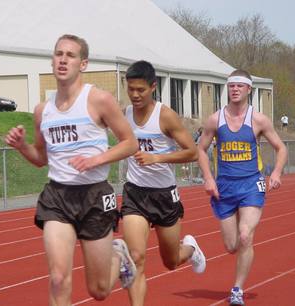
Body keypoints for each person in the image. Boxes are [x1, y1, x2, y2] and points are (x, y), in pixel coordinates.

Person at [5, 34, 139, 306]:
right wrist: (21, 146)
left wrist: (96, 160)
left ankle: (119, 255)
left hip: (94, 197)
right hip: (57, 198)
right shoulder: (43, 110)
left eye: (70, 55)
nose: (63, 60)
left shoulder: (99, 100)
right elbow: (41, 158)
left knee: (99, 290)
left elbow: (130, 143)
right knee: (57, 277)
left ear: (83, 63)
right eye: (58, 54)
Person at [198, 69, 287, 305]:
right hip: (225, 187)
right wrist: (208, 178)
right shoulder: (215, 119)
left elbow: (281, 147)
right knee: (231, 246)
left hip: (251, 184)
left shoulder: (258, 120)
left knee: (246, 235)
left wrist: (276, 172)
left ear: (249, 89)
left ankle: (237, 289)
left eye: (239, 85)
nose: (235, 89)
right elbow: (200, 149)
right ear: (227, 89)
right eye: (231, 86)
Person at [121, 60, 206, 306]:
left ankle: (190, 248)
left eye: (141, 90)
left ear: (153, 87)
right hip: (134, 194)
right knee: (135, 258)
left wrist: (158, 157)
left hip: (164, 196)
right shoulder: (125, 114)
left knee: (171, 261)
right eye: (131, 89)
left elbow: (192, 151)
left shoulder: (165, 115)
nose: (135, 95)